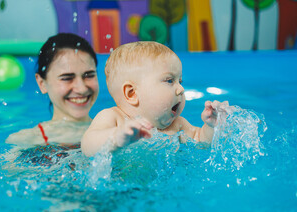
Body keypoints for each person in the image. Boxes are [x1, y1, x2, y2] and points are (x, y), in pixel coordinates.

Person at [81, 41, 228, 157]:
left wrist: (211, 126)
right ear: (132, 93)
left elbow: (201, 142)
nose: (181, 89)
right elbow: (88, 145)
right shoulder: (114, 118)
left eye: (180, 81)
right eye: (170, 80)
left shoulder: (178, 125)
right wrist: (116, 137)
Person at [6, 33, 99, 146]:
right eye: (67, 78)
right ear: (42, 84)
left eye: (89, 75)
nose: (81, 88)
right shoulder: (26, 141)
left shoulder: (118, 133)